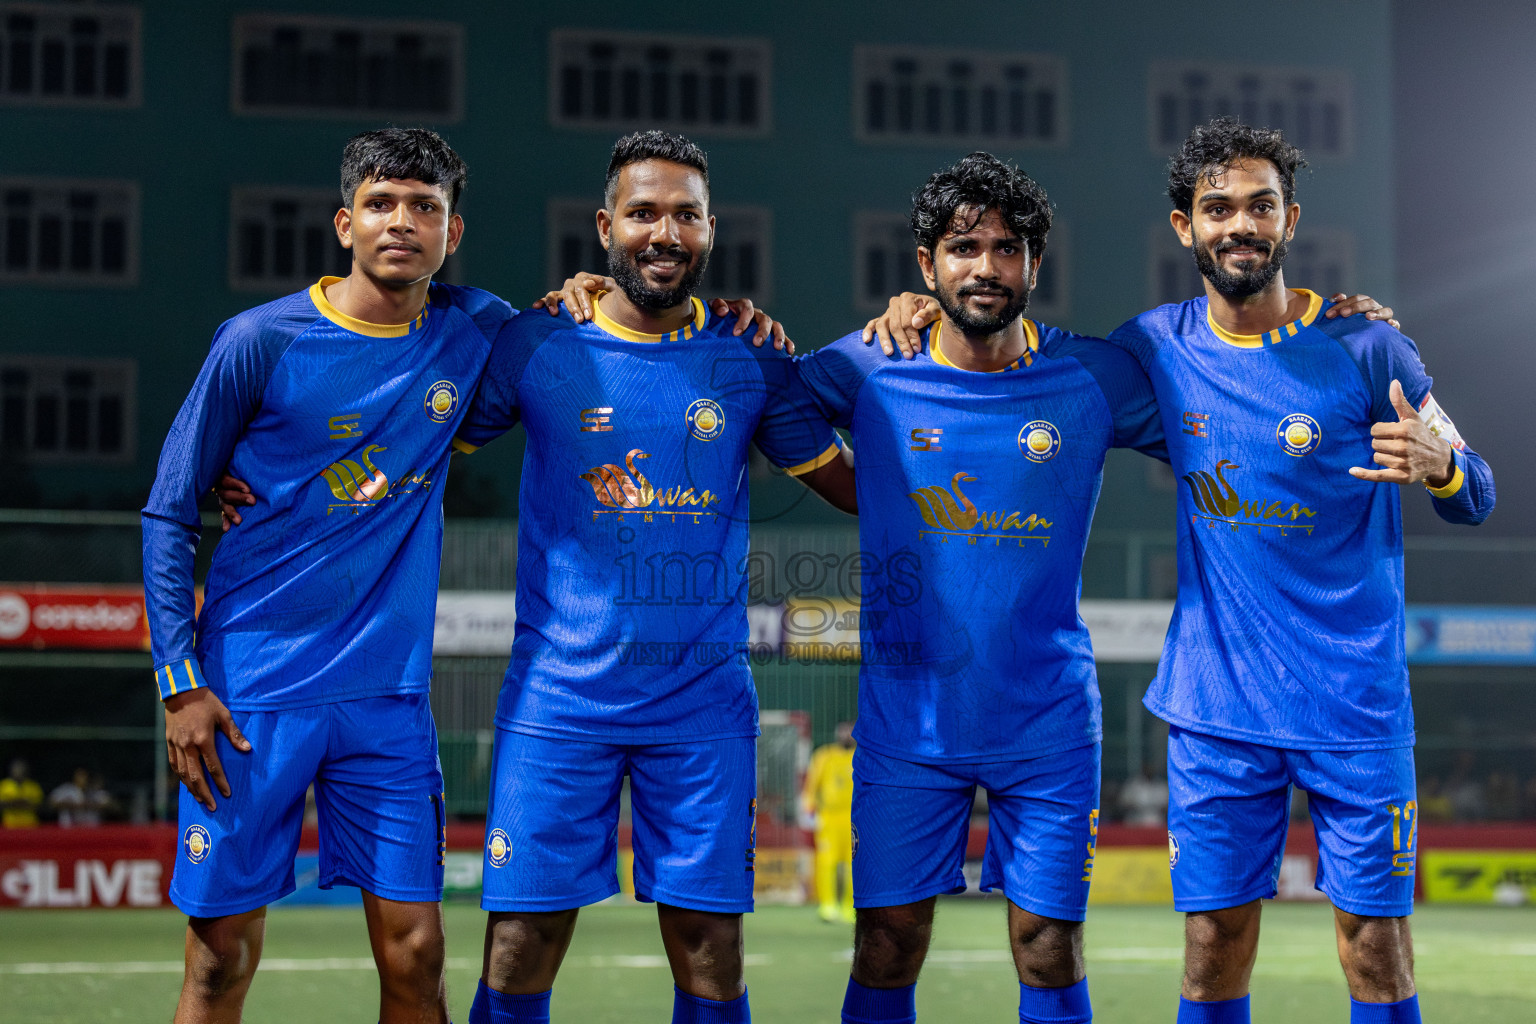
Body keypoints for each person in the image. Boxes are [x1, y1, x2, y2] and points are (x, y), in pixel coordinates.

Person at [142, 127, 627, 1024]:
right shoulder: (259, 340)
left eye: (424, 208)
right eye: (380, 204)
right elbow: (170, 509)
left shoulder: (475, 329)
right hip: (252, 694)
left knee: (417, 956)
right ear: (344, 222)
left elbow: (555, 332)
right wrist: (181, 685)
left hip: (386, 700)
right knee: (218, 962)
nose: (401, 222)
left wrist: (582, 291)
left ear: (452, 233)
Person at [452, 129, 855, 1024]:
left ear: (712, 232)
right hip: (558, 700)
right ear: (606, 226)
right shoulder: (535, 345)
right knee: (519, 946)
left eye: (685, 215)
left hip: (701, 705)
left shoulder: (751, 359)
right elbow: (424, 445)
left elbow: (858, 489)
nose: (663, 232)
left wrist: (944, 377)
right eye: (643, 213)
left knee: (711, 953)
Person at [1106, 119, 1495, 1024]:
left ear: (1289, 221)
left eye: (1260, 206)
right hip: (1217, 707)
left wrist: (1440, 468)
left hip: (1352, 705)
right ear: (1183, 227)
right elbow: (1024, 370)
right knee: (1212, 950)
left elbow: (1475, 489)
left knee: (1375, 948)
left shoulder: (1369, 348)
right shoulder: (1152, 349)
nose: (1239, 224)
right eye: (1217, 209)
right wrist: (924, 312)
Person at [794, 152, 1167, 1024]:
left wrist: (1320, 336)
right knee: (887, 941)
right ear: (927, 266)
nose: (987, 268)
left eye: (1008, 249)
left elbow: (1211, 414)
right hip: (905, 719)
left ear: (1036, 265)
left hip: (1046, 719)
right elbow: (766, 404)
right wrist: (850, 482)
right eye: (964, 248)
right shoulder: (871, 363)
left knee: (1047, 944)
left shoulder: (1092, 377)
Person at [801, 721, 857, 923]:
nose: (846, 735)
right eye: (843, 731)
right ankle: (828, 905)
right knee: (826, 862)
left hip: (854, 818)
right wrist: (809, 811)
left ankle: (850, 907)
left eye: (850, 731)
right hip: (829, 817)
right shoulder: (824, 755)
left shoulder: (861, 756)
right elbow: (811, 786)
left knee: (854, 863)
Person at [48, 767, 114, 826]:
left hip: (91, 829)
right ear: (74, 777)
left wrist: (89, 805)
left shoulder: (95, 791)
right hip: (69, 828)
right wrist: (72, 805)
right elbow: (52, 803)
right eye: (80, 775)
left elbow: (109, 805)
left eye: (84, 775)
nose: (83, 778)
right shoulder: (66, 789)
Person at [1, 758, 43, 828]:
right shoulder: (3, 785)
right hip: (9, 825)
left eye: (21, 768)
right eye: (16, 768)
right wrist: (15, 802)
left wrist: (22, 803)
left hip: (30, 825)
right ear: (11, 770)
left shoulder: (33, 786)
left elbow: (39, 806)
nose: (18, 771)